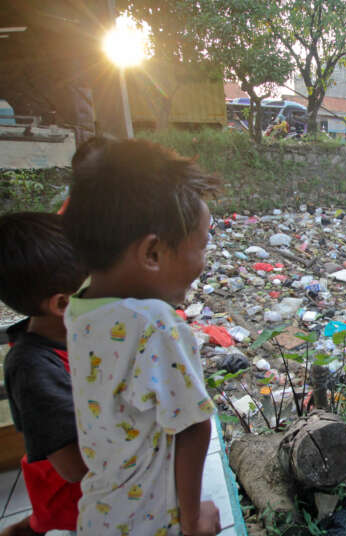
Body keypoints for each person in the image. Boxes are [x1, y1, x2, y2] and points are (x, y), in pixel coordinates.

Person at [62, 138, 222, 536]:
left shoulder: (82, 305)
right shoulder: (154, 322)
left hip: (102, 511)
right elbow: (193, 427)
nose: (204, 260)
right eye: (201, 244)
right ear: (152, 253)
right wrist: (192, 521)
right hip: (150, 523)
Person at [0, 212, 89, 536]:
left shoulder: (74, 334)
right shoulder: (31, 369)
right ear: (64, 303)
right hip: (72, 494)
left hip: (72, 485)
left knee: (40, 522)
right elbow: (75, 467)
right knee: (54, 521)